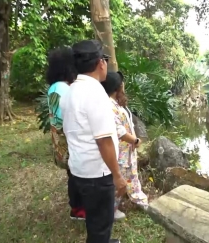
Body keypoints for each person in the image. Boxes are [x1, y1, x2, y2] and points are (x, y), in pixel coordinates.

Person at [60, 39, 126, 243]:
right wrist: (117, 176)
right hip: (98, 174)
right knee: (101, 223)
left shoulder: (69, 91)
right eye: (105, 59)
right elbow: (104, 140)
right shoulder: (96, 94)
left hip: (80, 168)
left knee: (94, 217)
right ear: (100, 63)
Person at [101, 71, 149, 221]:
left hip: (127, 151)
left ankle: (139, 200)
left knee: (132, 177)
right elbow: (120, 131)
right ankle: (111, 211)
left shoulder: (114, 103)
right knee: (120, 183)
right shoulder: (109, 106)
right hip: (121, 152)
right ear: (117, 86)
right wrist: (135, 141)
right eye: (122, 83)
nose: (124, 85)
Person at [45, 46, 85, 220]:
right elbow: (68, 117)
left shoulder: (54, 87)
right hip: (67, 140)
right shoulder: (63, 89)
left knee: (73, 175)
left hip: (59, 139)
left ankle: (77, 207)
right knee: (76, 176)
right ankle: (78, 210)